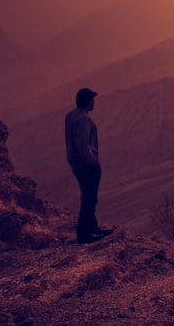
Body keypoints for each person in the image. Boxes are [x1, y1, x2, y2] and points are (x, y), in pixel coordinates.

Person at [65, 87, 114, 244]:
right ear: (89, 102)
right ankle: (83, 233)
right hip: (86, 165)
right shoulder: (83, 119)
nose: (94, 102)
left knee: (89, 196)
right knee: (89, 198)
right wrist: (92, 161)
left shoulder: (70, 116)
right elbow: (83, 145)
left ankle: (93, 227)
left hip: (76, 164)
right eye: (92, 99)